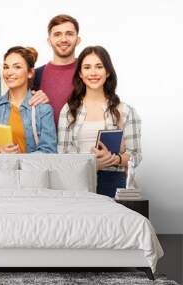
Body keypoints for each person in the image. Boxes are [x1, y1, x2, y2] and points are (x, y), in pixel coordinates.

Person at [57, 46, 142, 197]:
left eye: (99, 67)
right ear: (80, 74)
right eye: (87, 67)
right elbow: (62, 155)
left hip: (113, 183)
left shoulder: (126, 111)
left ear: (108, 72)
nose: (93, 73)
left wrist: (114, 159)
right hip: (77, 184)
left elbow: (135, 156)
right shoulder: (69, 110)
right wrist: (90, 163)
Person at [0, 46, 57, 154]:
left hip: (31, 170)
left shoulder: (43, 110)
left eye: (17, 67)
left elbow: (49, 151)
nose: (9, 72)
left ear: (30, 73)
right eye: (6, 67)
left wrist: (19, 158)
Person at [33, 14, 81, 128]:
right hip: (46, 144)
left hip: (82, 143)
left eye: (69, 34)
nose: (63, 39)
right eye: (57, 34)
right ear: (49, 41)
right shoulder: (37, 75)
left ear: (78, 40)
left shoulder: (89, 73)